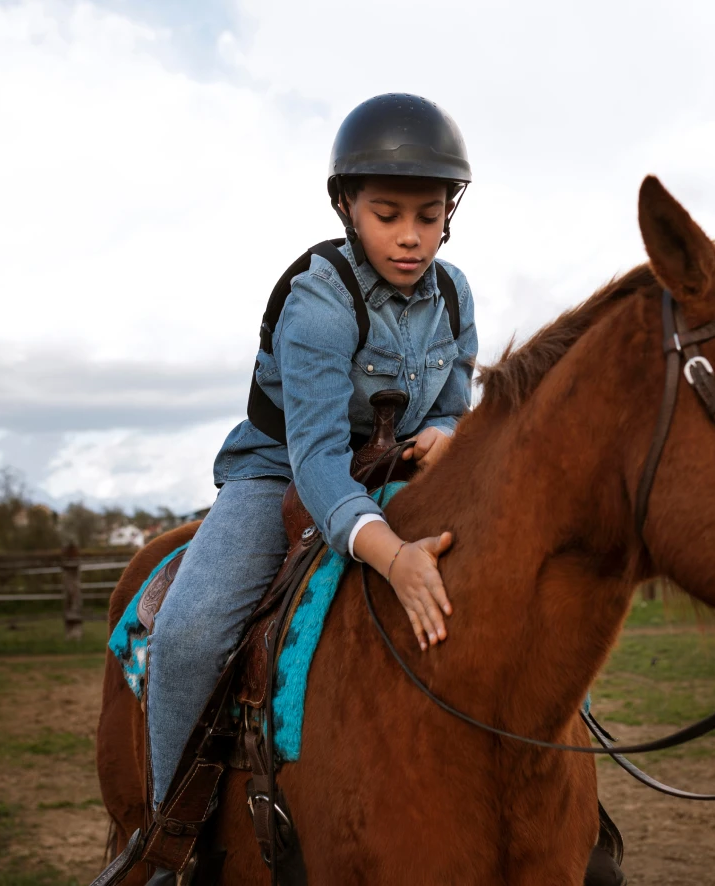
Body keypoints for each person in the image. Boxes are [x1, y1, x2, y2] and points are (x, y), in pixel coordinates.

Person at [144, 92, 476, 865]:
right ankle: (167, 842)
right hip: (283, 473)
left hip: (396, 473)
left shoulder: (454, 294)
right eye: (387, 213)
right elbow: (318, 461)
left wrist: (448, 436)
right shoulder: (319, 299)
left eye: (428, 216)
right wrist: (392, 555)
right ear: (346, 205)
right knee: (191, 634)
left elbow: (459, 407)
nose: (410, 236)